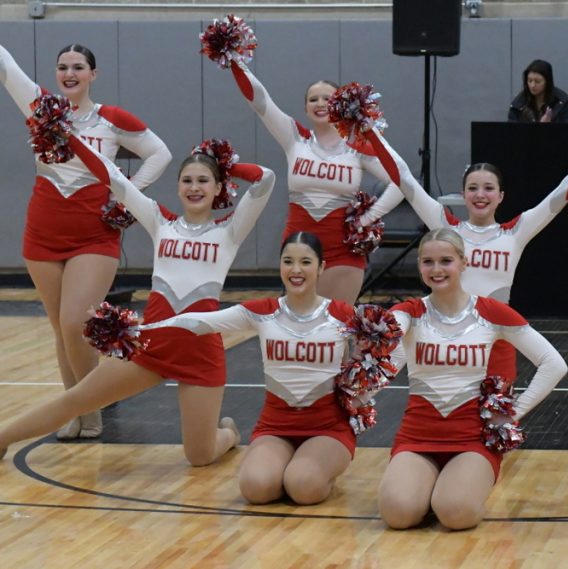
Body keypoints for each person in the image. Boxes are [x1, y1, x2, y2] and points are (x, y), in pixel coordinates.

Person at [0, 134, 275, 467]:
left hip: (200, 353)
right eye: (187, 180)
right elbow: (111, 175)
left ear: (219, 188)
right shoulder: (160, 221)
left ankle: (228, 434)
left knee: (199, 456)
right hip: (150, 347)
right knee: (77, 399)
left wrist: (224, 165)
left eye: (204, 180)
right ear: (178, 187)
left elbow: (265, 179)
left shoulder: (230, 230)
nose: (194, 187)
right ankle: (3, 437)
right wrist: (71, 139)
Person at [0, 43, 172, 439]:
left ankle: (88, 409)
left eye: (78, 67)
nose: (69, 73)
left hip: (94, 235)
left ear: (93, 74)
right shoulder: (41, 107)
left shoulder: (111, 119)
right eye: (63, 67)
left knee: (76, 322)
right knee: (61, 329)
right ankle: (73, 412)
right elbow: (7, 65)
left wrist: (127, 197)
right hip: (42, 234)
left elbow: (159, 154)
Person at [363, 128, 568, 381]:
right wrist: (369, 129)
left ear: (501, 196)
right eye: (473, 188)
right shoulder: (448, 229)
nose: (480, 195)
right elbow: (404, 177)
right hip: (449, 342)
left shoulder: (516, 232)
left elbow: (566, 189)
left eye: (488, 188)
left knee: (498, 407)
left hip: (496, 342)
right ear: (463, 194)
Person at [141, 232, 366, 505]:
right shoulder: (263, 312)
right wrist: (140, 329)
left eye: (305, 262)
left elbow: (388, 346)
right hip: (276, 426)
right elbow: (203, 322)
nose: (296, 270)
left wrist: (361, 397)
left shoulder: (343, 316)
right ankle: (287, 468)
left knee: (303, 486)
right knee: (255, 488)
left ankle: (311, 470)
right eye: (288, 261)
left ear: (321, 267)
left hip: (328, 428)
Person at [378, 228, 567, 530]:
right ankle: (428, 488)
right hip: (417, 436)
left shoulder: (491, 312)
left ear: (463, 263)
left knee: (456, 513)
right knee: (398, 514)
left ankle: (458, 487)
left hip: (473, 439)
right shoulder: (410, 312)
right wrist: (375, 337)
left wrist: (511, 415)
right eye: (428, 262)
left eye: (446, 261)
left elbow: (553, 364)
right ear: (419, 266)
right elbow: (390, 333)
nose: (437, 269)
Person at [223, 57, 404, 303]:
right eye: (313, 99)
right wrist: (235, 60)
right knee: (299, 317)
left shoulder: (357, 147)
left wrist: (368, 218)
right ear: (305, 109)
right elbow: (260, 100)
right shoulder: (295, 138)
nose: (320, 103)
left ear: (340, 105)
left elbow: (400, 182)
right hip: (298, 248)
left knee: (338, 320)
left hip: (343, 250)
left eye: (327, 98)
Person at [507, 59, 568, 123]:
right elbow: (512, 129)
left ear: (547, 82)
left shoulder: (561, 102)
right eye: (530, 81)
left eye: (537, 81)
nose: (532, 85)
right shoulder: (519, 104)